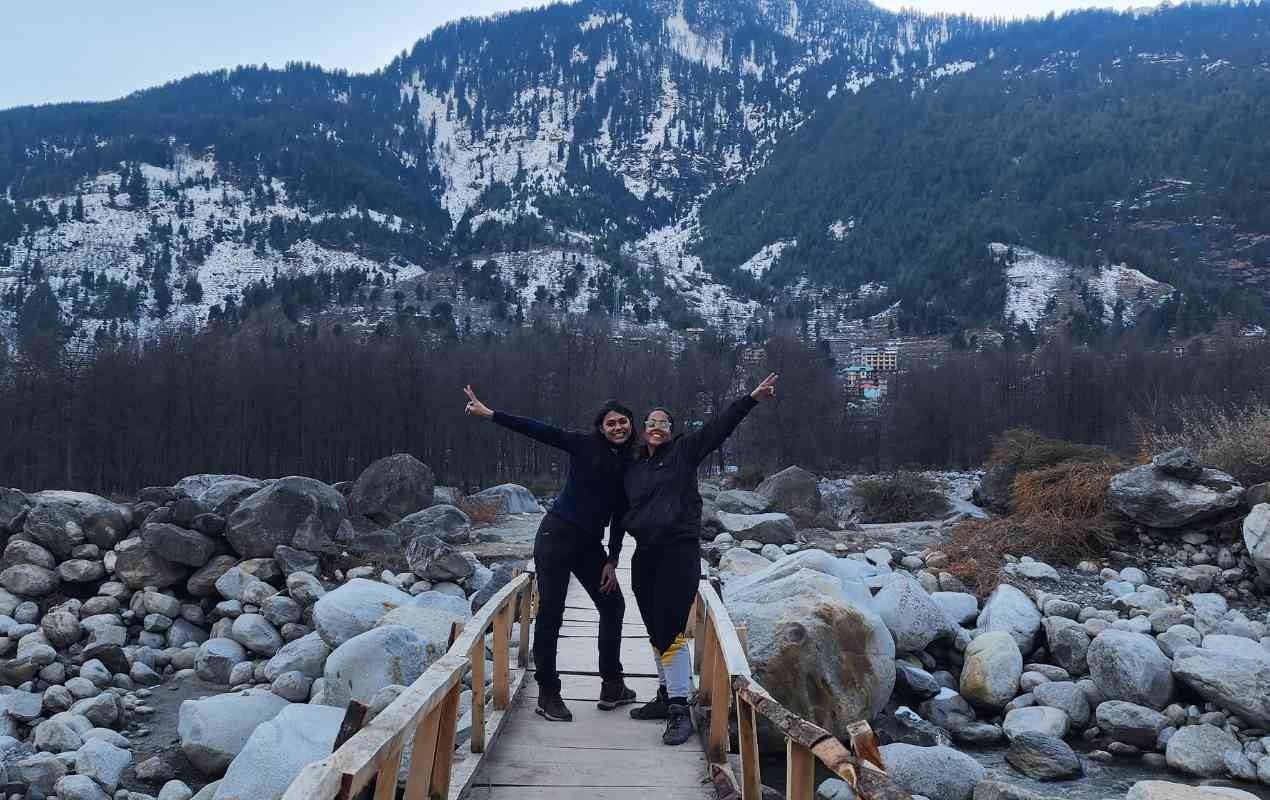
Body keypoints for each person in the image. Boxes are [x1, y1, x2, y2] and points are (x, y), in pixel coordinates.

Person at [463, 386, 637, 722]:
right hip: (556, 535)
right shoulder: (584, 445)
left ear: (631, 425)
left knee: (613, 604)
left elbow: (620, 516)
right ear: (600, 428)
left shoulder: (630, 463)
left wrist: (613, 560)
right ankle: (548, 692)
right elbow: (538, 429)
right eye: (611, 423)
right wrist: (492, 414)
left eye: (623, 422)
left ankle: (612, 684)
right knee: (551, 614)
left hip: (588, 544)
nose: (618, 427)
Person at [623, 373, 778, 745]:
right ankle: (665, 696)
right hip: (646, 553)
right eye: (652, 423)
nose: (657, 427)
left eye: (664, 423)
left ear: (671, 431)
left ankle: (679, 708)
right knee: (654, 628)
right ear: (643, 430)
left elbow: (717, 428)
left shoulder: (684, 452)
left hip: (679, 551)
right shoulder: (634, 467)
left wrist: (750, 399)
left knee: (672, 628)